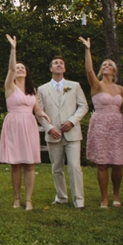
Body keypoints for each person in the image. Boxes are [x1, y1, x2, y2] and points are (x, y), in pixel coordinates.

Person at [79, 38, 123, 208]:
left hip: (116, 125)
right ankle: (104, 198)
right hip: (100, 124)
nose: (106, 66)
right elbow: (89, 70)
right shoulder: (96, 85)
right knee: (102, 163)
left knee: (117, 163)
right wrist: (88, 50)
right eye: (103, 65)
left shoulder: (120, 89)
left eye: (109, 65)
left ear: (114, 70)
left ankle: (116, 194)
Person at [0, 35, 51, 211]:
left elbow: (36, 109)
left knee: (29, 164)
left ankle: (28, 199)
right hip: (13, 124)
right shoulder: (9, 86)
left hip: (29, 125)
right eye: (17, 67)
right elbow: (10, 70)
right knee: (15, 164)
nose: (19, 69)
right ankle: (17, 198)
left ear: (27, 72)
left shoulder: (31, 90)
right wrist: (13, 49)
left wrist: (43, 114)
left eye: (22, 68)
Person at [36, 55, 88, 209]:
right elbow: (39, 112)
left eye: (61, 63)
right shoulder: (42, 89)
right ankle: (61, 197)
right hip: (53, 134)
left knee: (74, 166)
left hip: (72, 133)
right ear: (51, 68)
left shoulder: (75, 86)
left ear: (64, 68)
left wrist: (72, 121)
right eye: (55, 63)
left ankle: (79, 200)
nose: (58, 65)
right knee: (56, 167)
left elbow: (83, 106)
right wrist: (49, 128)